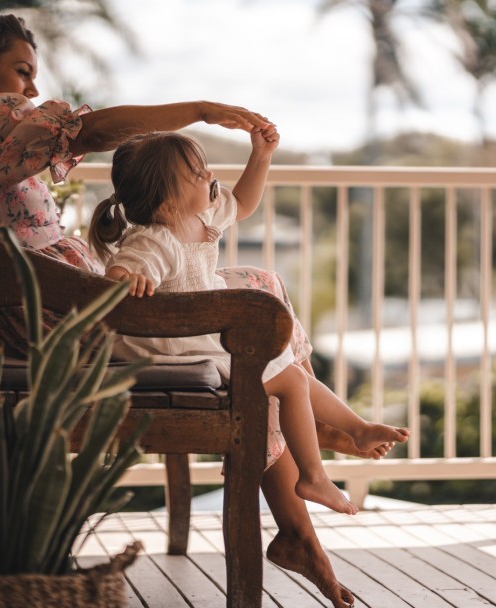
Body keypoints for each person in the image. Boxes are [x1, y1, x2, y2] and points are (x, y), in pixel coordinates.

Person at [0, 11, 406, 608]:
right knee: (256, 320)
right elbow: (91, 132)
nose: (32, 90)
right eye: (21, 71)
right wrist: (198, 109)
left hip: (64, 304)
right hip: (60, 317)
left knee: (260, 289)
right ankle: (307, 460)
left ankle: (311, 434)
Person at [87, 130, 408, 515]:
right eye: (196, 174)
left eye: (204, 169)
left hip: (200, 337)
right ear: (168, 201)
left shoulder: (198, 216)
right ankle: (313, 476)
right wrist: (129, 280)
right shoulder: (154, 240)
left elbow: (242, 203)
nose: (209, 177)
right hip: (174, 348)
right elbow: (119, 273)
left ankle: (354, 428)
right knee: (291, 379)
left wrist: (262, 155)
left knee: (295, 377)